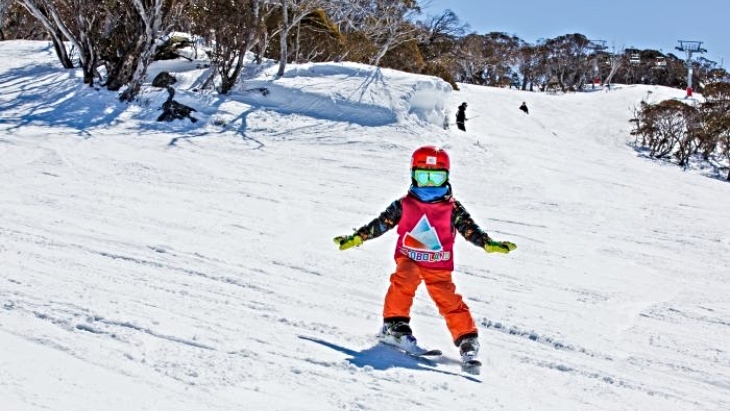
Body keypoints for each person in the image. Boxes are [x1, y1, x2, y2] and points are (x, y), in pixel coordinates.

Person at [333, 146, 517, 367]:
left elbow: (470, 230)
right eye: (424, 176)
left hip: (438, 264)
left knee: (448, 298)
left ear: (446, 177)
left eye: (435, 177)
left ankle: (467, 340)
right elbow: (382, 223)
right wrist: (358, 237)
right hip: (409, 257)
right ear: (413, 176)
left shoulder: (452, 208)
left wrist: (488, 243)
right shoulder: (404, 204)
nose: (429, 184)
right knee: (405, 278)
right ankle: (394, 326)